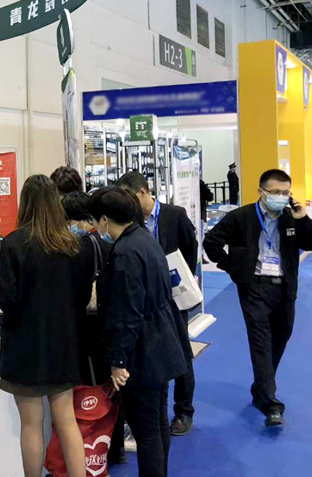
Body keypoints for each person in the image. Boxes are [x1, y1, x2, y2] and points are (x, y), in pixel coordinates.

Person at [203, 169, 312, 427]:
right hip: (254, 288)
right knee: (261, 343)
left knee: (280, 338)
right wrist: (232, 267)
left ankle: (261, 388)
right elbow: (211, 243)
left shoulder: (291, 217)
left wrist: (303, 218)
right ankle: (271, 404)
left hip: (285, 288)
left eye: (285, 192)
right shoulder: (241, 217)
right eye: (275, 192)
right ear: (261, 192)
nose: (281, 197)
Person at [0, 175, 92, 477]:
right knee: (66, 421)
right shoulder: (74, 245)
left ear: (24, 203)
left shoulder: (13, 243)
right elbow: (82, 297)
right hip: (63, 344)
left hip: (24, 346)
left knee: (31, 424)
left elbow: (6, 299)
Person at [89, 187, 187, 477]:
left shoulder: (124, 253)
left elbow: (127, 313)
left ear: (104, 220)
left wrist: (118, 360)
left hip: (143, 353)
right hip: (162, 342)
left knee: (146, 430)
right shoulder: (144, 239)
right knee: (157, 422)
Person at [116, 171, 198, 436]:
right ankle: (150, 411)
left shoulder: (174, 215)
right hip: (144, 302)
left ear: (142, 192)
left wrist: (182, 279)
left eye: (129, 196)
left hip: (174, 298)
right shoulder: (131, 222)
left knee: (181, 353)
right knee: (148, 354)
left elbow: (190, 247)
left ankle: (184, 410)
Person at [62, 190, 126, 466]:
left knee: (89, 392)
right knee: (111, 388)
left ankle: (93, 449)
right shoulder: (109, 242)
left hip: (87, 330)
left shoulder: (81, 247)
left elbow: (74, 294)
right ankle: (115, 445)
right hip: (108, 326)